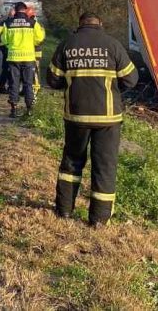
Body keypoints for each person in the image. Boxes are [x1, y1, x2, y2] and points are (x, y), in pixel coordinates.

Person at [45, 12, 138, 227]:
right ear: (100, 24)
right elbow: (131, 79)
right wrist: (114, 90)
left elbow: (53, 80)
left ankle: (64, 211)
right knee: (104, 166)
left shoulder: (67, 45)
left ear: (79, 25)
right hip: (108, 119)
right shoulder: (112, 45)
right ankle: (98, 219)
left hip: (76, 117)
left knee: (71, 162)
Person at [0, 1, 45, 118]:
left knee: (14, 83)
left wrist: (10, 46)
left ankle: (14, 109)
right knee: (28, 84)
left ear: (15, 9)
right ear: (25, 10)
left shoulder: (8, 23)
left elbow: (4, 40)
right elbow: (40, 38)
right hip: (28, 58)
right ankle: (29, 109)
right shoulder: (33, 23)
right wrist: (31, 43)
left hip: (13, 58)